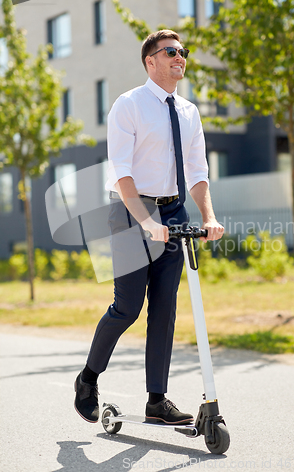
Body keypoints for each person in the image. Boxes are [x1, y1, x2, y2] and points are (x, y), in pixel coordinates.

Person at [74, 29, 224, 425]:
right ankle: (88, 380)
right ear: (150, 61)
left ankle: (157, 400)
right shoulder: (129, 105)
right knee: (128, 309)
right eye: (171, 52)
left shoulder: (190, 112)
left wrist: (208, 216)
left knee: (165, 309)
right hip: (129, 212)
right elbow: (122, 173)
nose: (180, 58)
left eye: (183, 52)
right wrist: (146, 222)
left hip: (174, 214)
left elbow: (197, 172)